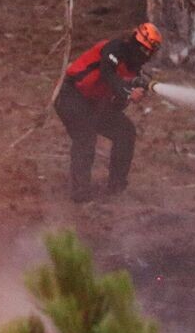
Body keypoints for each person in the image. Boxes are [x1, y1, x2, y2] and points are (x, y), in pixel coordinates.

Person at [55, 22, 162, 202]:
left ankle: (117, 186)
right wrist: (128, 91)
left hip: (94, 104)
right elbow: (108, 74)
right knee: (85, 136)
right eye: (144, 51)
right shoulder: (114, 48)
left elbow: (116, 103)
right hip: (71, 95)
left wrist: (128, 96)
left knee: (125, 131)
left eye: (150, 53)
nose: (146, 57)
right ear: (136, 43)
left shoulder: (133, 70)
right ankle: (80, 194)